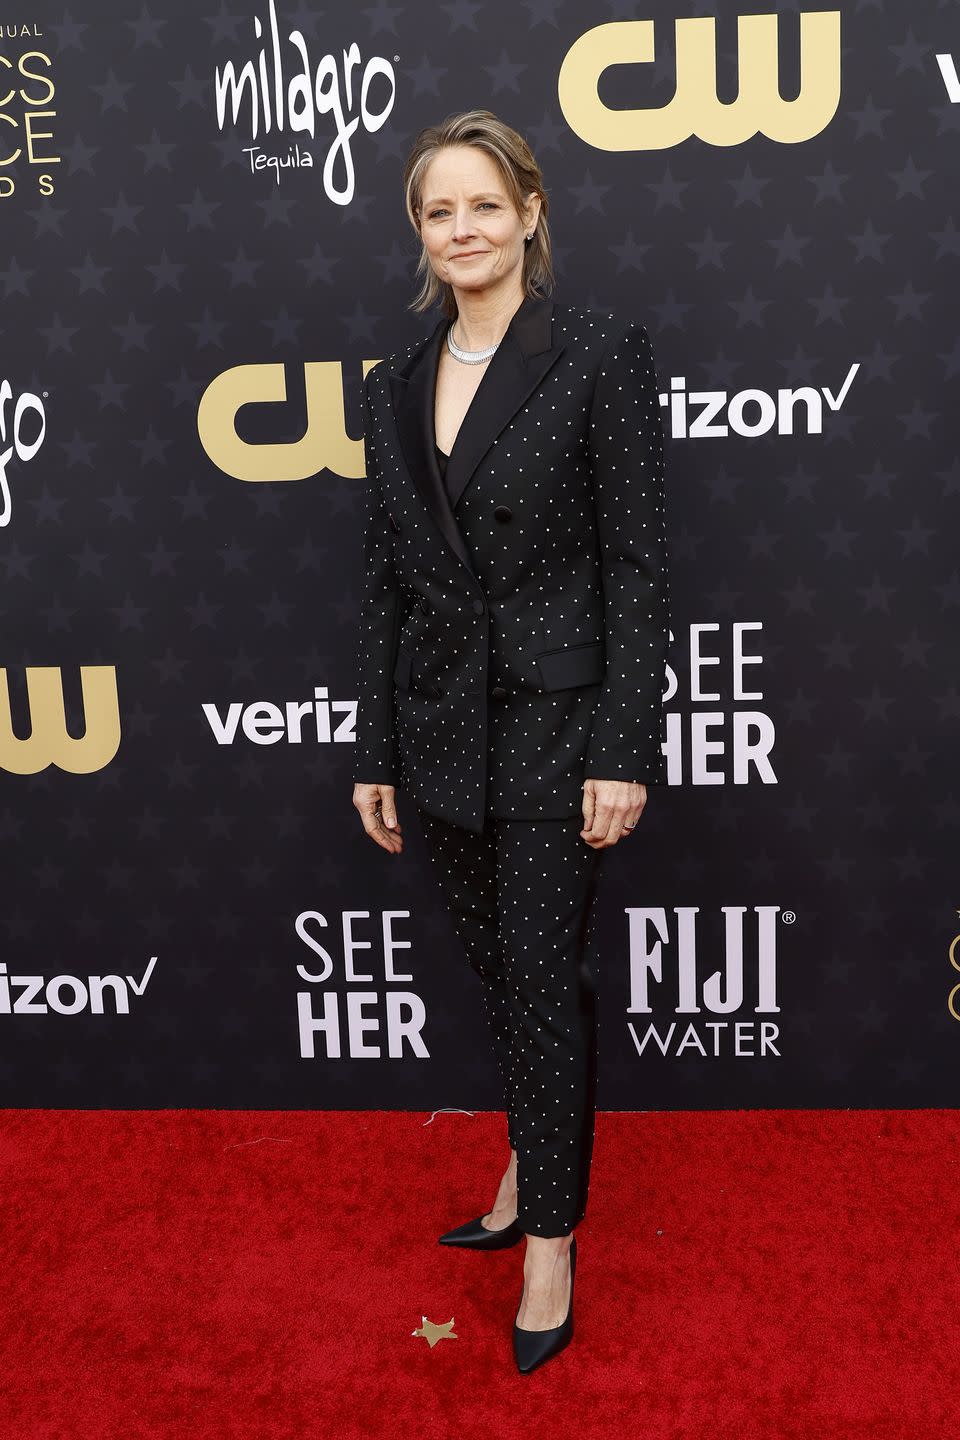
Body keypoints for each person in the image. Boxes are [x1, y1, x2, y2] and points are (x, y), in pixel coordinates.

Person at [351, 108, 670, 1373]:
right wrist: (375, 747)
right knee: (502, 969)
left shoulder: (597, 353)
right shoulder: (390, 382)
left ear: (531, 213)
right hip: (438, 729)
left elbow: (638, 569)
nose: (464, 229)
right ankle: (530, 1152)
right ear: (419, 235)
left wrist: (623, 747)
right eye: (440, 211)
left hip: (556, 722)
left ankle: (550, 1238)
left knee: (542, 981)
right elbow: (382, 578)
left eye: (486, 204)